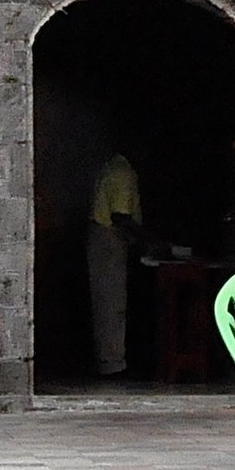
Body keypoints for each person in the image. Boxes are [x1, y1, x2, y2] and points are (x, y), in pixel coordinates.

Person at [87, 153, 142, 377]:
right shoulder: (122, 173)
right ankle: (113, 364)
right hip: (109, 238)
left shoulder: (112, 166)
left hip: (104, 237)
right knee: (112, 302)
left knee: (106, 299)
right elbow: (120, 216)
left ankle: (110, 359)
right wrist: (147, 240)